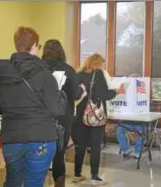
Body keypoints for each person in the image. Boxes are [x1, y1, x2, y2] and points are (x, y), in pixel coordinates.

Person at [0, 27, 67, 187]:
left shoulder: (2, 73)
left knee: (13, 180)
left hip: (11, 138)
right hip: (41, 137)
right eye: (38, 46)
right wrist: (62, 96)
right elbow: (56, 109)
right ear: (34, 46)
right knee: (34, 183)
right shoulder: (45, 74)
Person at [42, 39, 85, 187]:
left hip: (41, 118)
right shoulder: (67, 70)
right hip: (63, 119)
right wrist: (82, 89)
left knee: (39, 154)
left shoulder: (39, 68)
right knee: (59, 155)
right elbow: (76, 94)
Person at [73, 54, 117, 186]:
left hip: (80, 114)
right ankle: (94, 177)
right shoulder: (99, 75)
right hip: (95, 115)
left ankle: (77, 174)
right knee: (95, 146)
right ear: (97, 64)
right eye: (102, 64)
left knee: (80, 146)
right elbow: (102, 95)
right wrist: (116, 92)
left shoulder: (78, 74)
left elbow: (75, 94)